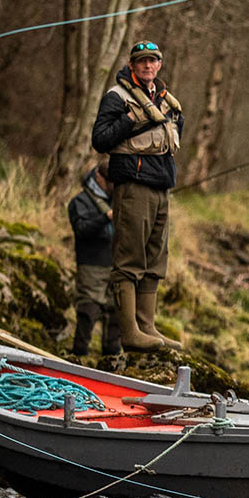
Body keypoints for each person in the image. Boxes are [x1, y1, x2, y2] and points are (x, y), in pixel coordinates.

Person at [91, 40, 184, 351]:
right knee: (129, 259)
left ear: (159, 65)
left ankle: (148, 327)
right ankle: (129, 333)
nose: (147, 66)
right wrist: (131, 120)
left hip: (161, 187)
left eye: (153, 61)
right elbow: (100, 140)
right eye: (142, 61)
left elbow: (174, 136)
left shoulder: (165, 99)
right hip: (133, 186)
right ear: (132, 64)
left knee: (156, 259)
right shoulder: (117, 97)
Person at [67, 160, 121, 356]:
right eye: (111, 182)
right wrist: (105, 217)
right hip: (91, 265)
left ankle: (111, 361)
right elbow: (81, 229)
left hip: (115, 264)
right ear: (99, 177)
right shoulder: (79, 202)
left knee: (117, 312)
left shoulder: (117, 198)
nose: (115, 187)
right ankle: (78, 357)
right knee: (88, 313)